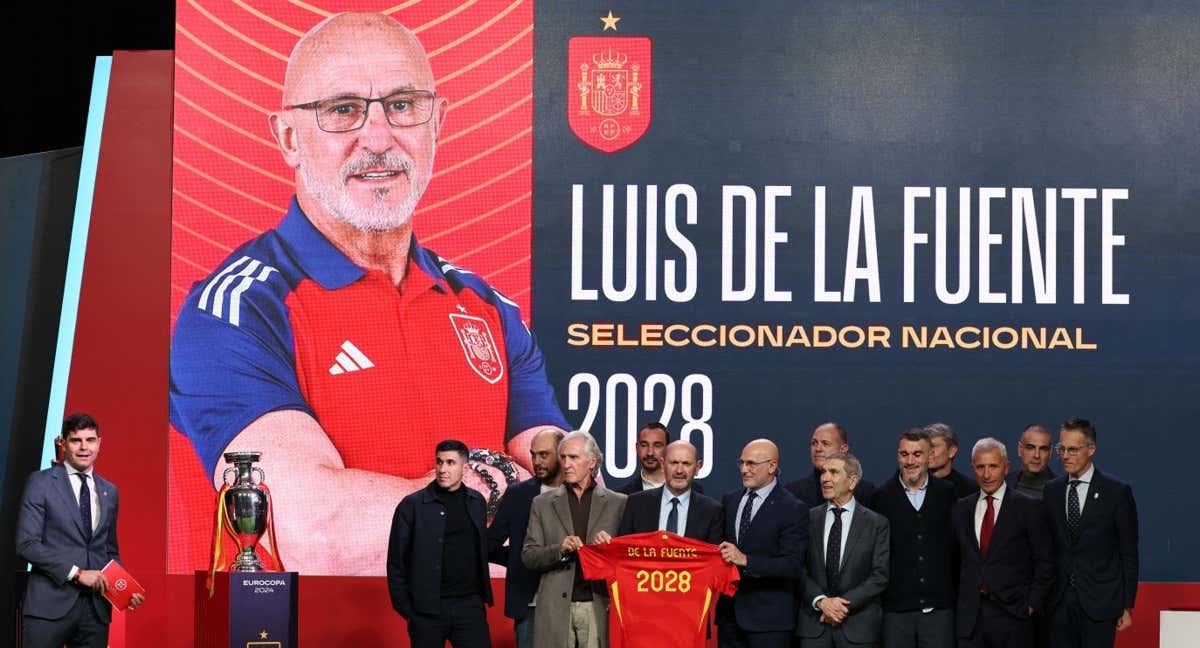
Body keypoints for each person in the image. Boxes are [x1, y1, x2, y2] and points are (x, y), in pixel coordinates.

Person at [168, 12, 568, 575]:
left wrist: (421, 511)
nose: (378, 139)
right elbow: (320, 533)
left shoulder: (489, 309)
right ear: (288, 137)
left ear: (438, 123)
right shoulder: (235, 310)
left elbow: (569, 502)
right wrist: (493, 488)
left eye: (403, 105)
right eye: (342, 110)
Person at [17, 414, 145, 648]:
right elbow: (26, 544)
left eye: (90, 440)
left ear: (99, 443)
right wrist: (77, 573)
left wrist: (124, 589)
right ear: (63, 443)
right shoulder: (40, 483)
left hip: (95, 612)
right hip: (49, 607)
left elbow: (109, 550)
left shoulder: (110, 491)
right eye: (76, 440)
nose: (84, 447)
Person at [522, 431, 627, 648]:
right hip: (555, 608)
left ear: (592, 462)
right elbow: (529, 556)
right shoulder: (542, 503)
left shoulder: (619, 503)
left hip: (598, 605)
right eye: (563, 458)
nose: (566, 464)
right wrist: (559, 550)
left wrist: (611, 548)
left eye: (574, 458)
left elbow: (629, 561)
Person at [387, 440, 492, 648]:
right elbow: (396, 561)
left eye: (450, 463)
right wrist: (408, 611)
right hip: (427, 611)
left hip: (469, 606)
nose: (443, 469)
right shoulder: (412, 505)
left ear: (465, 467)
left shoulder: (477, 501)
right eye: (439, 462)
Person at [1044, 419, 1139, 648]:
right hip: (1059, 603)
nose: (1065, 456)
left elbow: (1128, 551)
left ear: (1091, 449)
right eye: (1061, 449)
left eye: (1073, 449)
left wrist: (1127, 605)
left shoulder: (1116, 492)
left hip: (1100, 603)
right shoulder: (1052, 490)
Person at [951, 438, 1053, 648]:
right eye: (980, 467)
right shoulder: (961, 509)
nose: (987, 474)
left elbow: (1045, 562)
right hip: (971, 620)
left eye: (993, 467)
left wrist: (1032, 604)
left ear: (1006, 468)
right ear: (973, 469)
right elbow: (955, 561)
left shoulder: (1028, 508)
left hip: (1014, 616)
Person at [715, 439, 807, 648]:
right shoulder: (730, 500)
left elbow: (792, 565)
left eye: (751, 464)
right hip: (729, 617)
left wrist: (746, 560)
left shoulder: (792, 508)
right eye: (742, 463)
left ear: (772, 466)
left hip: (770, 621)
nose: (744, 470)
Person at [870, 428, 957, 648]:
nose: (910, 461)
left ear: (930, 457)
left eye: (917, 454)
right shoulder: (880, 498)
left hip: (939, 612)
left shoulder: (948, 494)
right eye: (904, 454)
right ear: (897, 456)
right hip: (896, 614)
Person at [798, 452, 890, 648]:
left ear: (852, 481)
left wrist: (839, 606)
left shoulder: (876, 523)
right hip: (815, 627)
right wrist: (822, 602)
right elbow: (799, 568)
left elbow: (879, 575)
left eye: (833, 472)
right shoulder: (808, 519)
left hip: (858, 627)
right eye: (823, 472)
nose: (825, 478)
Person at [487, 428, 565, 648]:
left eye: (544, 454)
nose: (536, 461)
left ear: (562, 454)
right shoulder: (517, 494)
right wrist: (520, 557)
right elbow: (489, 544)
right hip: (530, 602)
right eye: (533, 454)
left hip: (572, 604)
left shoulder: (580, 493)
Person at [618, 440, 723, 543]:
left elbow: (713, 558)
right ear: (663, 465)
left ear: (697, 467)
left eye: (686, 464)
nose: (679, 471)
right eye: (674, 463)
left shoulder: (711, 511)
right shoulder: (636, 503)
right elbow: (622, 550)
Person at [785, 422, 875, 507]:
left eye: (825, 444)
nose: (818, 449)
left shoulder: (865, 492)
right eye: (814, 443)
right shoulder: (793, 493)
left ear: (843, 449)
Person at [926, 423, 978, 498]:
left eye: (933, 446)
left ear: (951, 451)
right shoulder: (912, 486)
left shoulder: (970, 490)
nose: (928, 452)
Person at [1005, 424, 1057, 499]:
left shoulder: (1062, 490)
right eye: (1030, 448)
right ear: (1020, 449)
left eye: (1043, 449)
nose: (1036, 455)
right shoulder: (1003, 484)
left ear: (1050, 452)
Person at [616, 422, 669, 495]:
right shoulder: (621, 496)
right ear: (637, 448)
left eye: (657, 446)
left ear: (668, 449)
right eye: (644, 445)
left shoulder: (685, 491)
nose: (650, 453)